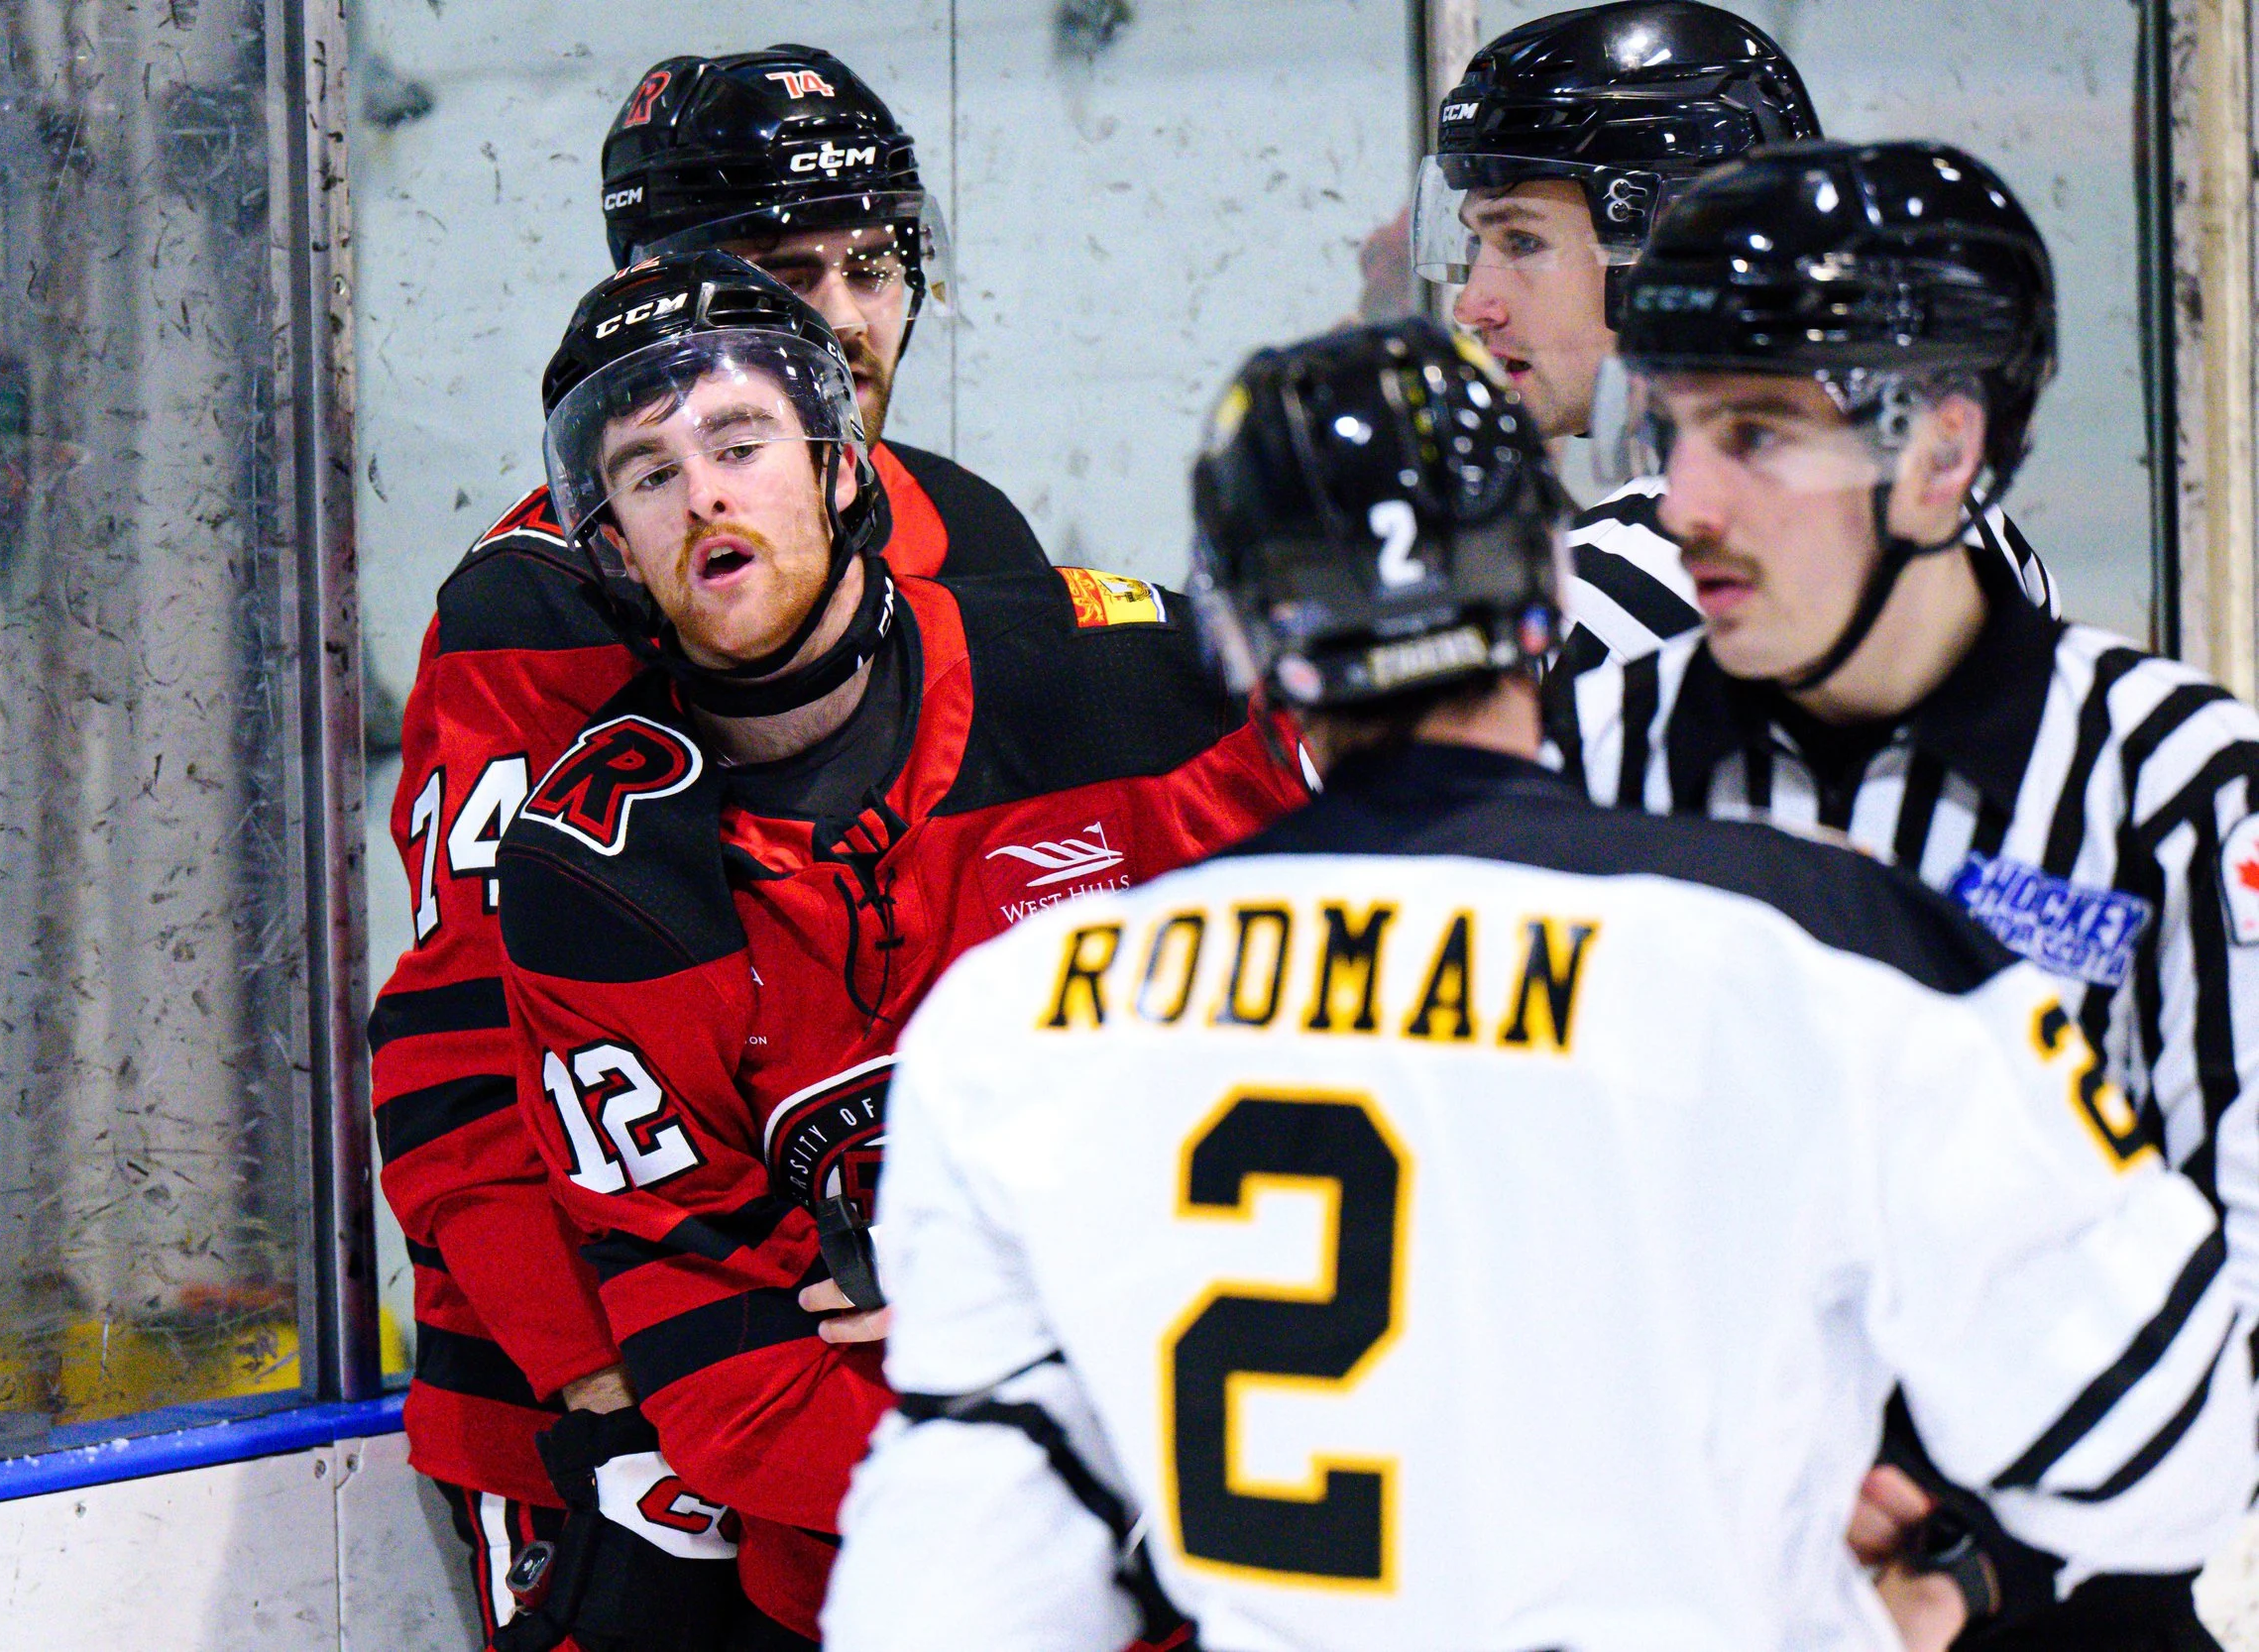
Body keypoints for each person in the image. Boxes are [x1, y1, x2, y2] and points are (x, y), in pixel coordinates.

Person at [819, 317, 2258, 1652]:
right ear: (1553, 588)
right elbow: (2163, 1448)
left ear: (1240, 636)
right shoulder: (1810, 948)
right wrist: (1951, 1569)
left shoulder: (1028, 1013)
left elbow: (949, 1586)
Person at [489, 251, 1308, 1648]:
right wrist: (1062, 1506)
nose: (705, 493)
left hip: (1266, 1541)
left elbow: (1386, 1092)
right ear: (613, 547)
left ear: (839, 468)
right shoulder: (600, 875)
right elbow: (727, 1376)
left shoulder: (1131, 684)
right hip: (900, 1592)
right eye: (646, 470)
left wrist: (1047, 1283)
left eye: (740, 441)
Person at [366, 44, 1052, 1648]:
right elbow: (458, 1050)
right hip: (601, 1399)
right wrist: (610, 1389)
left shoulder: (964, 537)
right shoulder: (546, 596)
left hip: (865, 1373)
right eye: (784, 271)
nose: (846, 320)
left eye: (872, 264)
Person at [1557, 138, 2259, 1650]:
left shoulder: (2176, 785)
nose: (1681, 502)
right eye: (1668, 429)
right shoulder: (1586, 751)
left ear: (1944, 455)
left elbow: (2243, 1279)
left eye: (1755, 433)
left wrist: (1979, 1559)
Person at [1416, 0, 2057, 673]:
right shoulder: (1969, 526)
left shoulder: (1585, 598)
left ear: (1675, 239)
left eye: (1521, 240)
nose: (1474, 304)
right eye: (1476, 241)